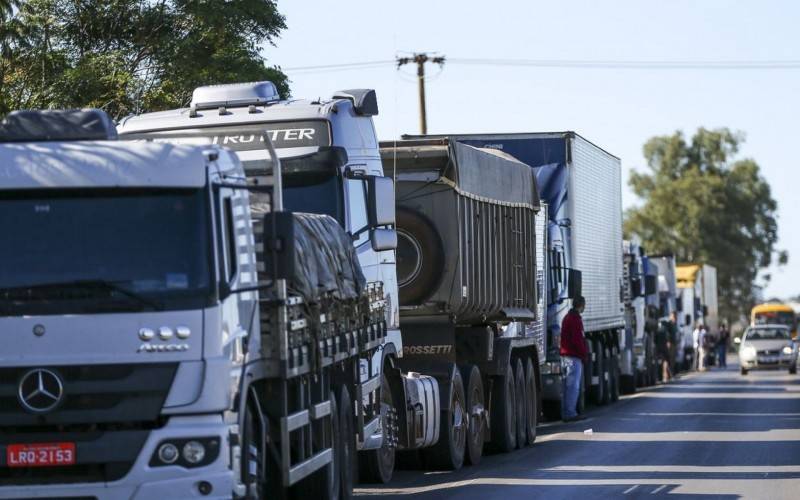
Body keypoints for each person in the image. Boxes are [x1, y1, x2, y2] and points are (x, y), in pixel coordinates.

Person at [561, 295, 588, 422]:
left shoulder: (567, 317)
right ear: (581, 305)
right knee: (573, 386)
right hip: (573, 357)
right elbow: (578, 340)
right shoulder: (575, 319)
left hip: (566, 356)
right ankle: (570, 413)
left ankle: (567, 412)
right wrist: (584, 354)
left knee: (567, 386)